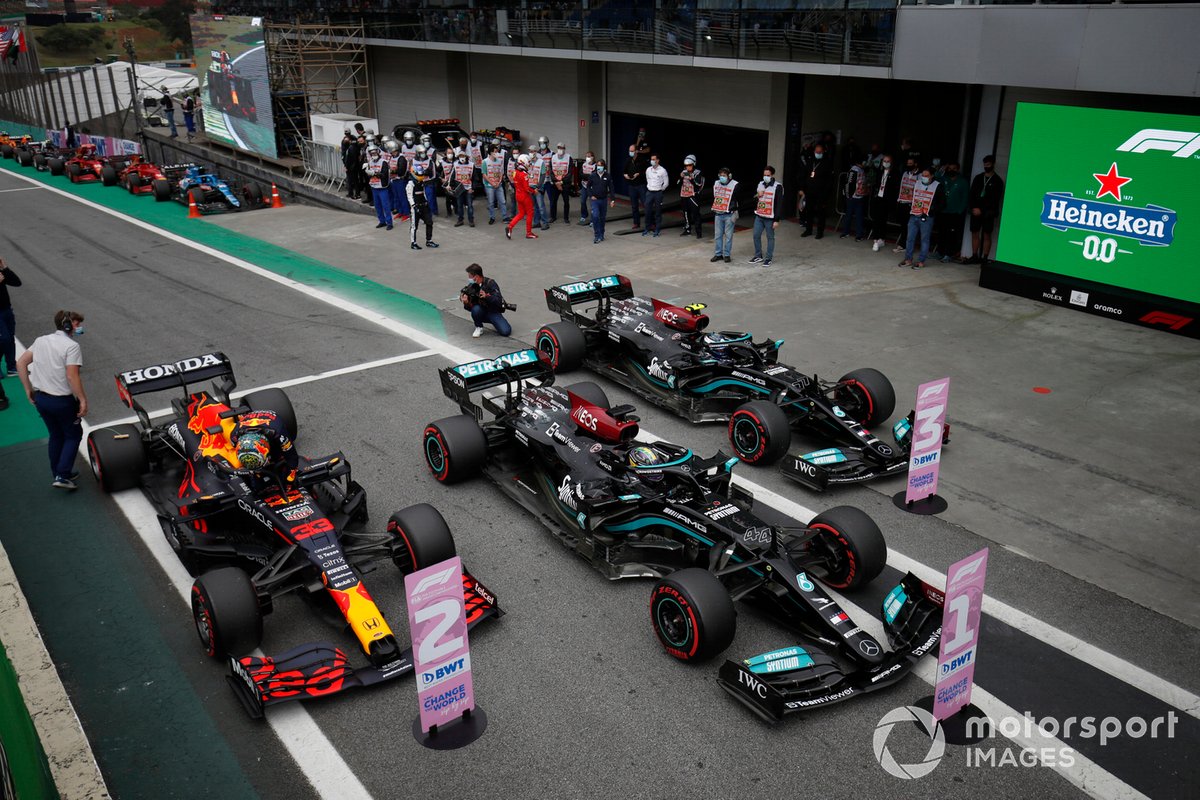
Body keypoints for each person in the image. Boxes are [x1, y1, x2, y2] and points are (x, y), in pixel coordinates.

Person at [15, 310, 88, 489]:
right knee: (73, 435)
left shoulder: (41, 340)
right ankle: (62, 475)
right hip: (61, 401)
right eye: (77, 324)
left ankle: (58, 472)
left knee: (56, 435)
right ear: (68, 325)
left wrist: (27, 389)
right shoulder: (71, 346)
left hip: (41, 399)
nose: (80, 327)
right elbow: (72, 376)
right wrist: (82, 399)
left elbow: (21, 363)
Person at [231, 410, 298, 486]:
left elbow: (292, 456)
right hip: (250, 424)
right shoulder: (234, 437)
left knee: (278, 458)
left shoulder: (278, 434)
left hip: (272, 421)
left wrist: (291, 472)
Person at [900, 168, 944, 270]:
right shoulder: (917, 183)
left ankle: (921, 261)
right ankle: (908, 259)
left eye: (926, 175)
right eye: (923, 175)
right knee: (910, 238)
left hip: (927, 217)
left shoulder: (938, 186)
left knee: (924, 240)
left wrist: (931, 210)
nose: (923, 177)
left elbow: (942, 204)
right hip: (914, 214)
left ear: (932, 175)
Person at [967, 155, 1005, 265]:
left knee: (987, 234)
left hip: (988, 213)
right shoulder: (978, 178)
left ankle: (985, 257)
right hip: (975, 211)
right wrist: (973, 208)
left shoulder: (998, 181)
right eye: (985, 165)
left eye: (988, 165)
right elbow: (972, 194)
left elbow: (995, 199)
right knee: (975, 233)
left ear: (993, 164)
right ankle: (974, 256)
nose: (986, 167)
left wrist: (982, 210)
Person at [461, 263, 512, 338]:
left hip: (493, 311)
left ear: (477, 277)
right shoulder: (471, 286)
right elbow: (470, 308)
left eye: (470, 277)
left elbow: (498, 300)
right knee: (475, 309)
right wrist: (466, 303)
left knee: (505, 331)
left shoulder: (491, 283)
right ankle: (478, 327)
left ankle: (495, 321)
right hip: (481, 311)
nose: (469, 279)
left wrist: (487, 296)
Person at [799, 144, 835, 239]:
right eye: (816, 152)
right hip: (809, 191)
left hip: (821, 192)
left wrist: (826, 194)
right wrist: (802, 188)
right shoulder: (810, 161)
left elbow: (829, 181)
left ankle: (820, 232)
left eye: (819, 152)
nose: (817, 154)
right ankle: (808, 230)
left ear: (823, 152)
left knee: (821, 212)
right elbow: (804, 175)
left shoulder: (827, 163)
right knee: (808, 211)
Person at [750, 166, 783, 267]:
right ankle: (758, 255)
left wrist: (776, 219)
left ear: (772, 175)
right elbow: (756, 200)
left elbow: (779, 204)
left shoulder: (778, 186)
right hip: (759, 215)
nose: (766, 177)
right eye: (764, 175)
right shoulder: (760, 184)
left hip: (770, 217)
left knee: (770, 238)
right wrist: (757, 195)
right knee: (756, 235)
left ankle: (768, 258)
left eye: (768, 175)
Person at [937, 162, 969, 263]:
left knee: (951, 235)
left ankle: (948, 254)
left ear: (958, 169)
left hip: (954, 213)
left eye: (954, 168)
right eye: (949, 168)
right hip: (943, 211)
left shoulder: (963, 182)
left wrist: (959, 211)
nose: (951, 170)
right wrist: (943, 168)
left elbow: (965, 198)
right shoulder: (944, 178)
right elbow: (936, 177)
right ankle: (940, 252)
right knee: (942, 233)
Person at [868, 154, 898, 251]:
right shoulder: (879, 172)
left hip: (887, 199)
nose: (886, 163)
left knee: (883, 219)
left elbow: (894, 187)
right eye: (884, 161)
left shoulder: (895, 173)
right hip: (878, 197)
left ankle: (881, 238)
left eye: (888, 161)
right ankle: (876, 239)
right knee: (876, 219)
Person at [406, 163, 439, 250]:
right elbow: (409, 196)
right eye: (419, 174)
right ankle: (413, 243)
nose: (421, 176)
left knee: (429, 222)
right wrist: (414, 206)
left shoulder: (421, 182)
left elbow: (423, 192)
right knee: (414, 226)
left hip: (424, 205)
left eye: (422, 174)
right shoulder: (410, 184)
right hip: (415, 207)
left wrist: (426, 202)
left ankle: (429, 240)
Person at [710, 167, 738, 264]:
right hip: (718, 213)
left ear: (729, 176)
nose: (722, 177)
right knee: (718, 235)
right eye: (721, 176)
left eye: (724, 176)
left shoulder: (735, 185)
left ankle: (727, 255)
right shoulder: (716, 184)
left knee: (728, 236)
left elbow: (736, 198)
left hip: (729, 214)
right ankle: (718, 254)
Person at [506, 154, 538, 240]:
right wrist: (534, 191)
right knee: (530, 213)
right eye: (528, 162)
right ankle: (529, 233)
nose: (529, 164)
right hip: (525, 196)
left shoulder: (515, 172)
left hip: (518, 195)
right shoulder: (524, 175)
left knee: (521, 213)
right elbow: (527, 188)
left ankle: (510, 226)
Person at [892, 156, 920, 252]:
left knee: (909, 226)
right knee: (903, 224)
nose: (908, 165)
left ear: (915, 164)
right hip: (902, 202)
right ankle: (904, 244)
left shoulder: (919, 176)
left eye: (910, 164)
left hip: (910, 204)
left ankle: (905, 245)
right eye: (907, 163)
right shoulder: (905, 173)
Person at [585, 158, 616, 243]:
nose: (599, 167)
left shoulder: (607, 176)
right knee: (595, 216)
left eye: (601, 165)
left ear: (604, 166)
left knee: (602, 218)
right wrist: (591, 196)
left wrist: (612, 200)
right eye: (598, 165)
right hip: (595, 200)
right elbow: (588, 187)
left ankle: (601, 234)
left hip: (604, 200)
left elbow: (611, 188)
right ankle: (596, 235)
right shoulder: (592, 175)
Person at [363, 144, 393, 231]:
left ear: (378, 152)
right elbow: (369, 175)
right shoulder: (370, 162)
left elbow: (385, 175)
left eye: (375, 152)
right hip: (374, 187)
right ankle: (382, 221)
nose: (373, 154)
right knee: (378, 206)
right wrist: (367, 172)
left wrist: (375, 173)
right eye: (371, 153)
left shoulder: (384, 162)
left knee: (386, 206)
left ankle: (389, 222)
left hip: (382, 187)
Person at [0, 257, 21, 377]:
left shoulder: (1, 272)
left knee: (10, 338)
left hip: (7, 310)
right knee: (4, 339)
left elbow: (17, 282)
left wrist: (5, 268)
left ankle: (12, 367)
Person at [839, 159, 868, 241]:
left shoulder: (861, 170)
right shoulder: (854, 170)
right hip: (852, 197)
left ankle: (858, 234)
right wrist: (848, 195)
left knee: (858, 216)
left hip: (859, 196)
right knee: (849, 215)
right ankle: (846, 232)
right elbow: (849, 183)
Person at [678, 155, 705, 238]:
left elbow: (699, 185)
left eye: (689, 165)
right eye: (686, 166)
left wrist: (691, 179)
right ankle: (687, 229)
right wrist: (680, 177)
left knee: (696, 214)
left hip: (693, 197)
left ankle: (698, 232)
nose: (688, 167)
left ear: (693, 164)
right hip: (684, 196)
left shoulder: (698, 172)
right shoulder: (683, 171)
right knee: (686, 213)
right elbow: (678, 183)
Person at [450, 150, 478, 227]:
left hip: (468, 188)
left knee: (470, 205)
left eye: (463, 156)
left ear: (466, 157)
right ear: (458, 157)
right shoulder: (455, 165)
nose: (462, 158)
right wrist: (452, 186)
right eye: (460, 156)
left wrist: (472, 188)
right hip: (459, 189)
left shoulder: (471, 165)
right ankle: (460, 220)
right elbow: (452, 177)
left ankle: (471, 220)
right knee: (459, 205)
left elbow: (475, 178)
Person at [623, 143, 648, 230]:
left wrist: (639, 174)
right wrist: (625, 175)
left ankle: (650, 223)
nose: (630, 152)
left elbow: (647, 172)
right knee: (634, 206)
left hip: (641, 185)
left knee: (646, 204)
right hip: (631, 186)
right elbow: (624, 171)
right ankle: (636, 223)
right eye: (630, 151)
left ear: (636, 151)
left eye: (632, 151)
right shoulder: (628, 160)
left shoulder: (642, 160)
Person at [482, 145, 509, 226]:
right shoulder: (485, 162)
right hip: (489, 186)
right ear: (490, 152)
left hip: (498, 185)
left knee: (503, 201)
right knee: (491, 202)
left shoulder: (500, 161)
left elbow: (501, 172)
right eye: (495, 151)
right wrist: (492, 183)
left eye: (497, 151)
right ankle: (492, 217)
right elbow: (484, 174)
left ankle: (505, 217)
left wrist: (499, 181)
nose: (496, 153)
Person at [643, 154, 669, 237]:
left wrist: (660, 189)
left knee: (658, 212)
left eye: (654, 159)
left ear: (658, 160)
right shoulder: (648, 170)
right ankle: (647, 228)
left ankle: (657, 230)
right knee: (647, 211)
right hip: (649, 192)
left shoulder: (663, 170)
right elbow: (647, 179)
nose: (652, 161)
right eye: (651, 159)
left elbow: (666, 183)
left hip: (658, 193)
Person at [549, 142, 573, 224]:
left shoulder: (569, 158)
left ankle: (566, 218)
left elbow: (570, 172)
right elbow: (551, 172)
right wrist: (556, 182)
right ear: (557, 148)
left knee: (566, 201)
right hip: (555, 184)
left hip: (565, 184)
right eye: (559, 148)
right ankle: (553, 217)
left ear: (564, 149)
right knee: (553, 201)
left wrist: (562, 181)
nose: (560, 149)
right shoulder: (553, 158)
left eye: (562, 148)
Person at [577, 151, 596, 226]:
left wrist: (586, 176)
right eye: (586, 156)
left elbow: (593, 177)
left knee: (592, 204)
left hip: (592, 188)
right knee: (582, 201)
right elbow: (580, 175)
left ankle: (593, 220)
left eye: (589, 156)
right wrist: (588, 176)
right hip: (584, 186)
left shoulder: (595, 166)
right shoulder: (584, 165)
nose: (587, 158)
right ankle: (584, 215)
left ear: (592, 157)